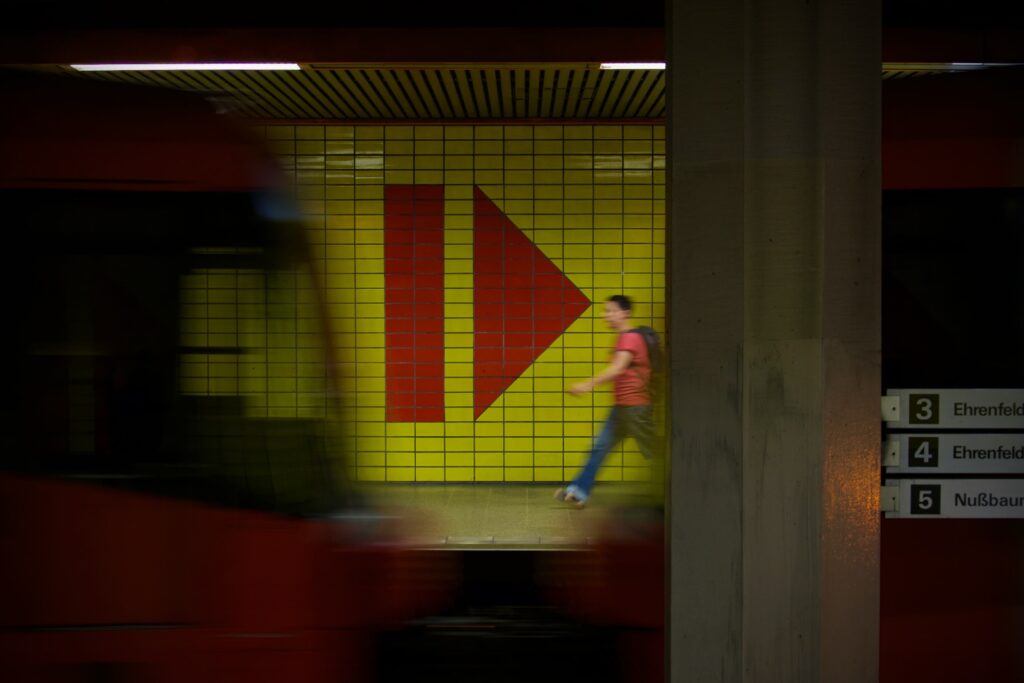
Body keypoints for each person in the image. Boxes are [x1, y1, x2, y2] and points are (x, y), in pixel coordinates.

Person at [556, 294, 656, 508]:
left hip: (637, 409)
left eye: (610, 311)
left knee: (653, 453)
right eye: (605, 311)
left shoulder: (630, 338)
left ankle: (678, 491)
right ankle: (578, 491)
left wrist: (588, 384)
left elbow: (618, 368)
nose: (605, 315)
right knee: (599, 448)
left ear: (625, 313)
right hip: (622, 408)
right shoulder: (624, 338)